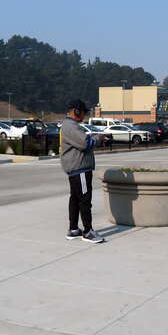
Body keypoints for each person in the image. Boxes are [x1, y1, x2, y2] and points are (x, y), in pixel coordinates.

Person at [60, 99, 104, 243]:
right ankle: (88, 231)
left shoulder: (68, 125)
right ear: (77, 111)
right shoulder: (71, 126)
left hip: (75, 169)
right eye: (83, 112)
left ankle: (73, 229)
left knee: (75, 198)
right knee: (85, 200)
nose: (84, 115)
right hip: (80, 169)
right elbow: (86, 143)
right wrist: (99, 138)